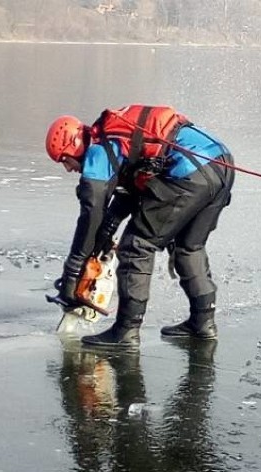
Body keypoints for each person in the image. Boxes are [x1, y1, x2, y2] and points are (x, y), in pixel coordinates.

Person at [45, 105, 234, 348]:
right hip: (221, 163)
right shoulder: (117, 139)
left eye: (65, 159)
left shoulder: (99, 150)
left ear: (74, 145)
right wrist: (105, 235)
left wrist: (72, 272)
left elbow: (92, 209)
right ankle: (202, 323)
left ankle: (125, 331)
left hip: (190, 170)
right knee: (189, 247)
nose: (68, 168)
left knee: (137, 245)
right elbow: (129, 196)